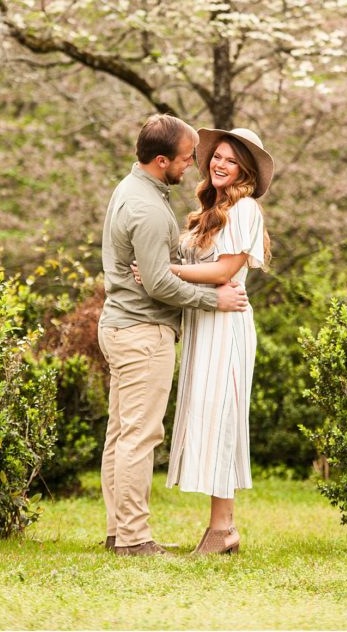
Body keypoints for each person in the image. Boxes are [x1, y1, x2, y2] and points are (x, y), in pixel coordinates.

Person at [98, 114, 249, 557]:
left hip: (124, 326)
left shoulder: (135, 190)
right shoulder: (145, 207)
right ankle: (133, 539)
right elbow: (160, 283)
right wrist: (213, 301)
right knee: (140, 436)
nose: (192, 166)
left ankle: (118, 533)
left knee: (121, 434)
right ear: (161, 160)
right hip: (142, 331)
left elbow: (159, 271)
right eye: (186, 159)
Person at [132, 126, 273, 556]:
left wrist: (163, 272)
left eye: (231, 160)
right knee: (209, 420)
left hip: (226, 324)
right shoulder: (210, 211)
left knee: (223, 418)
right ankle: (221, 528)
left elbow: (221, 273)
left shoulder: (245, 209)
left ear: (244, 169)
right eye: (217, 157)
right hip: (202, 323)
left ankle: (222, 530)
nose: (219, 164)